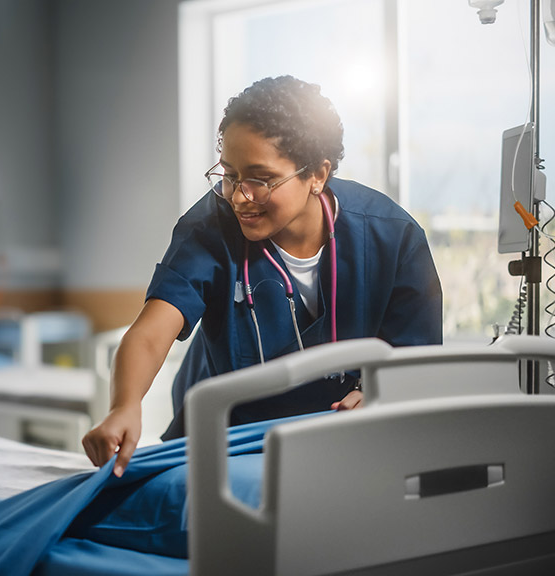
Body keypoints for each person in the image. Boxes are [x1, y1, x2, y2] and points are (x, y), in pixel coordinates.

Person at [81, 75, 443, 476]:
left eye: (261, 179)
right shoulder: (210, 228)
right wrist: (124, 406)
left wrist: (378, 392)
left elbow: (416, 363)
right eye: (230, 175)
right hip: (225, 441)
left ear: (318, 175)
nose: (239, 196)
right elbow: (151, 332)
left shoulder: (393, 238)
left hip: (341, 437)